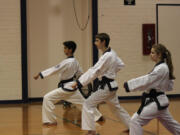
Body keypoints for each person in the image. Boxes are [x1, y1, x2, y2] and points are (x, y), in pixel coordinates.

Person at [72, 33, 130, 135]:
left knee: (88, 104)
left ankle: (91, 131)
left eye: (97, 41)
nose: (95, 43)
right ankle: (132, 126)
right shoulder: (112, 52)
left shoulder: (107, 56)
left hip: (106, 87)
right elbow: (121, 64)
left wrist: (79, 82)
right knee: (116, 109)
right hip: (111, 85)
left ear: (103, 42)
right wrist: (110, 72)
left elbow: (94, 71)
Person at [34, 41, 103, 126]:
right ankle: (98, 116)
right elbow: (80, 73)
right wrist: (80, 83)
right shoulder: (75, 61)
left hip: (67, 88)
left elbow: (54, 69)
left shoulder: (67, 62)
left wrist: (41, 74)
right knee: (83, 103)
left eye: (65, 48)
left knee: (47, 98)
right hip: (72, 87)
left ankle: (51, 121)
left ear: (70, 50)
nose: (64, 49)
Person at [124, 44, 180, 135]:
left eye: (153, 52)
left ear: (159, 55)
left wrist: (130, 85)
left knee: (135, 121)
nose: (150, 54)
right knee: (173, 125)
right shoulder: (162, 67)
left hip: (156, 103)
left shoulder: (161, 68)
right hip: (160, 102)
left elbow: (147, 80)